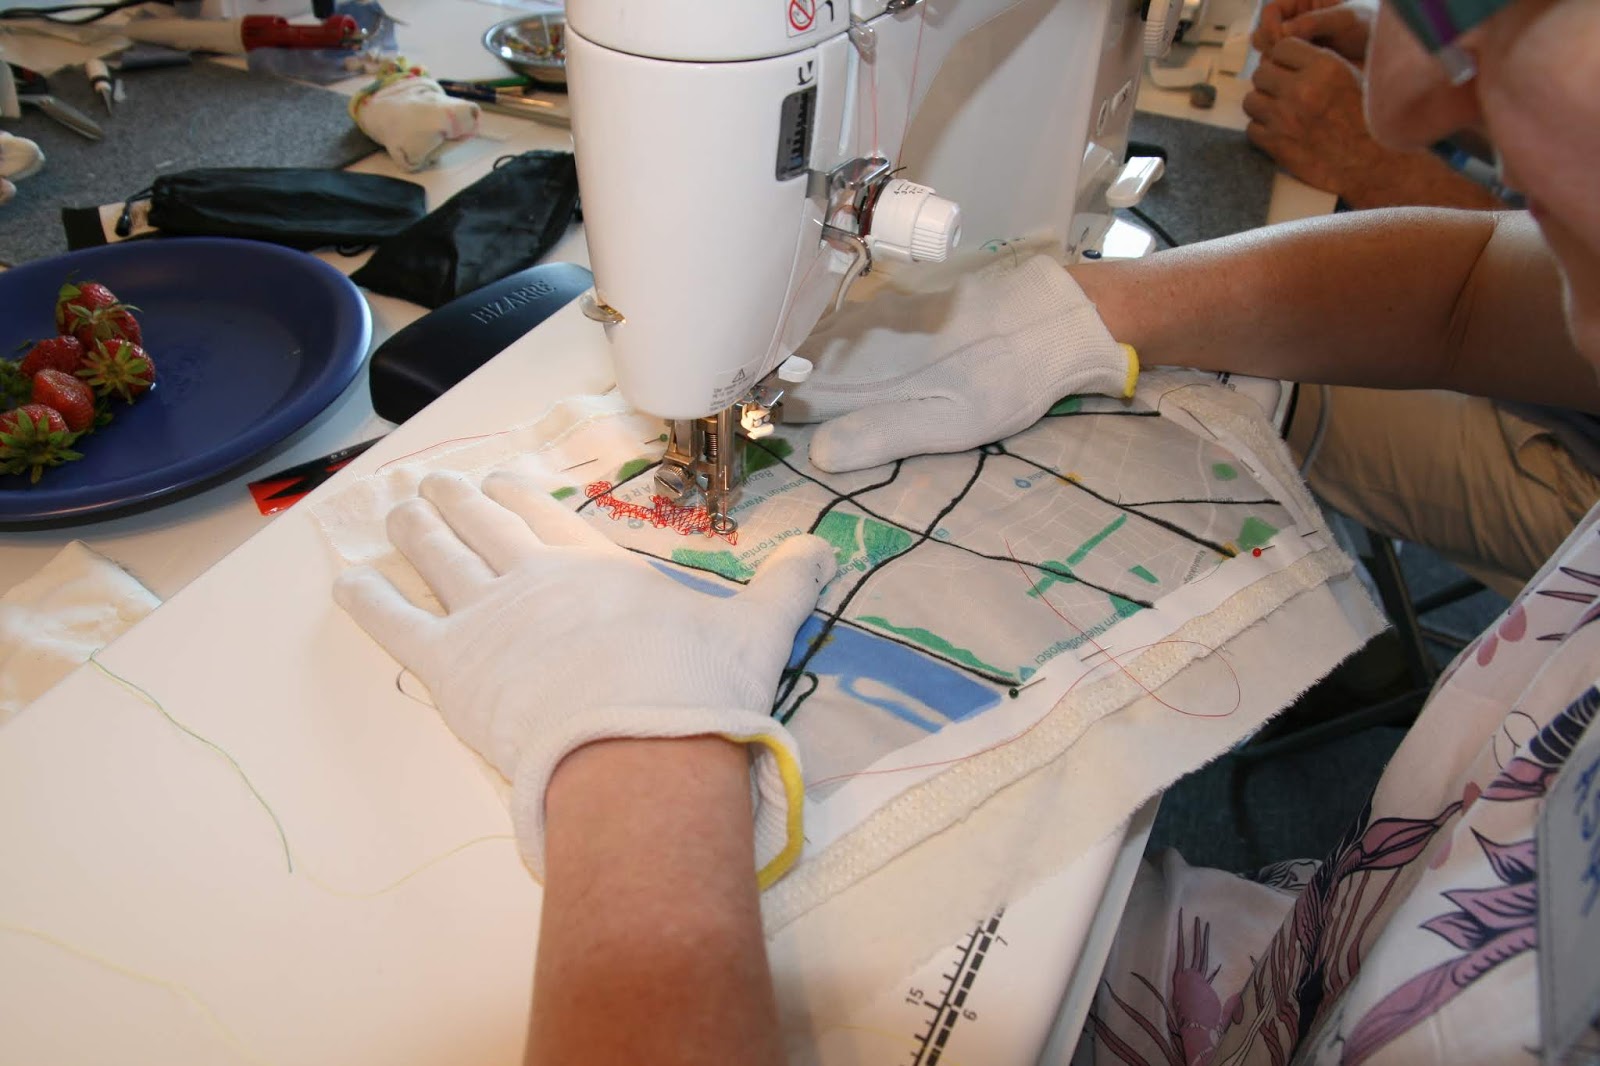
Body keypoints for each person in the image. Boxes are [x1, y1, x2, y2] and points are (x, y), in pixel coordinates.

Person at [331, 0, 1600, 1062]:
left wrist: (641, 780)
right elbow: (1473, 288)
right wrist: (1084, 313)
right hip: (1324, 958)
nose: (1401, 106)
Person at [1246, 0, 1600, 599]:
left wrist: (1385, 172)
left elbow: (1494, 302)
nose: (1396, 113)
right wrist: (1442, 53)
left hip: (1582, 458)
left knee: (1237, 383)